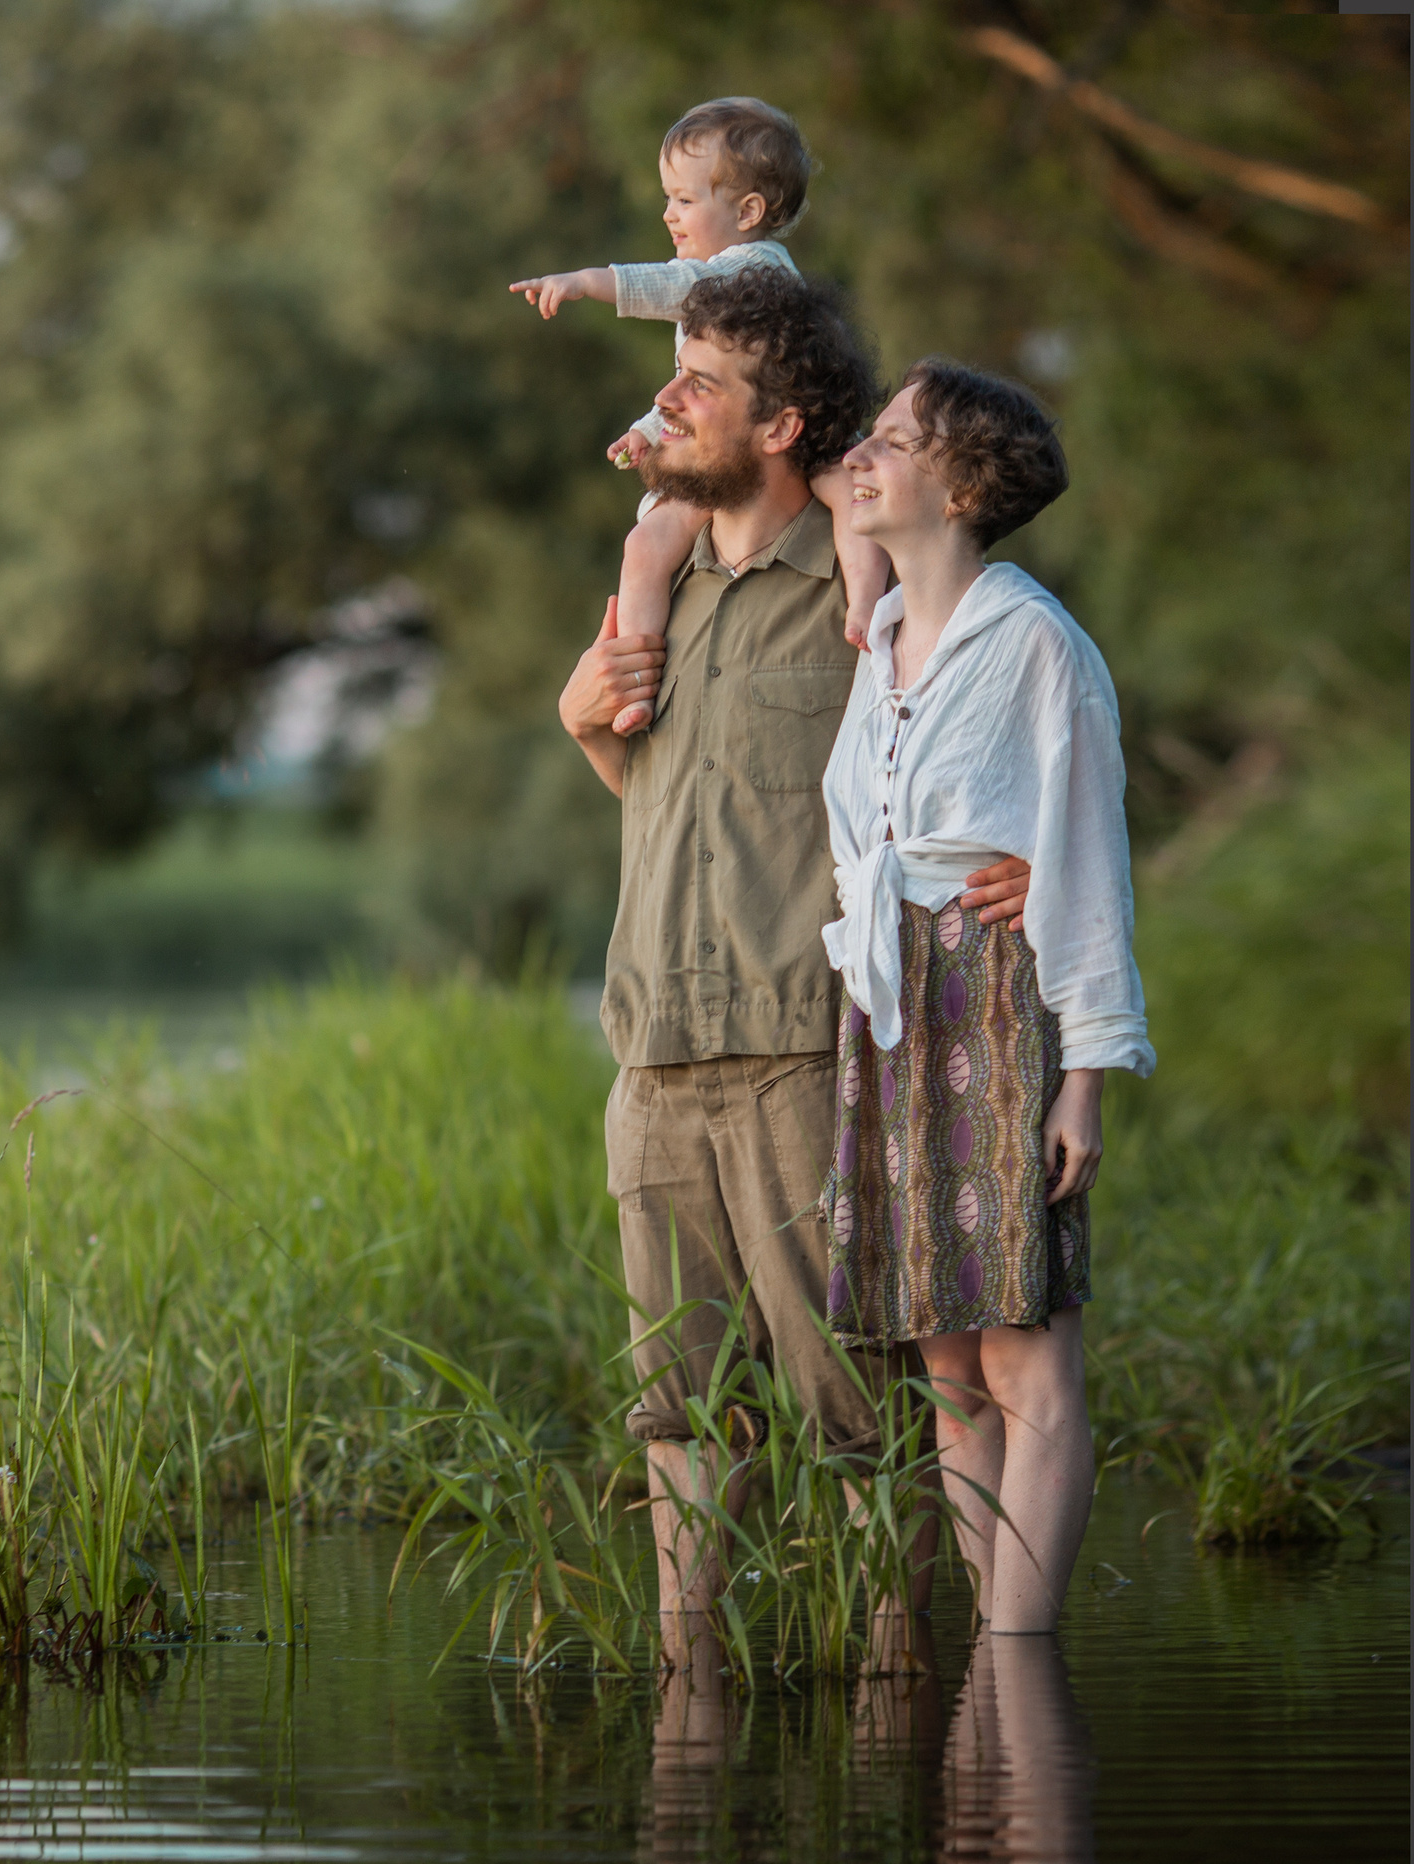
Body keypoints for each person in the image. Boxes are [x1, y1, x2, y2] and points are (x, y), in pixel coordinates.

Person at [558, 265, 1031, 1669]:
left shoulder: (865, 588)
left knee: (865, 1401)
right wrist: (583, 724)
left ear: (780, 428)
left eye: (699, 383)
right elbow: (670, 801)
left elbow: (999, 745)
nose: (665, 399)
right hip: (653, 1057)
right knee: (677, 1406)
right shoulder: (655, 595)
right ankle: (689, 1690)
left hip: (808, 1054)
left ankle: (901, 1682)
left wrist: (1032, 866)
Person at [819, 359, 1154, 1639]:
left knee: (1022, 1353)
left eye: (892, 442)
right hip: (891, 1005)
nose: (861, 458)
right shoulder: (884, 637)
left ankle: (1020, 1658)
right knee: (947, 1360)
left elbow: (1085, 855)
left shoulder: (1035, 643)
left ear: (961, 485)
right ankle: (990, 1655)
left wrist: (1086, 1076)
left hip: (999, 1003)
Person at [513, 96, 891, 734]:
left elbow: (672, 293)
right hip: (778, 434)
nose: (668, 213)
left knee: (850, 501)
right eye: (669, 197)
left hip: (795, 429)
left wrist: (586, 281)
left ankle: (861, 608)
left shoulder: (747, 271)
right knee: (652, 543)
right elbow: (698, 384)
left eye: (685, 199)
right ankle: (638, 685)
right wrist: (651, 429)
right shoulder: (717, 277)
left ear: (748, 212)